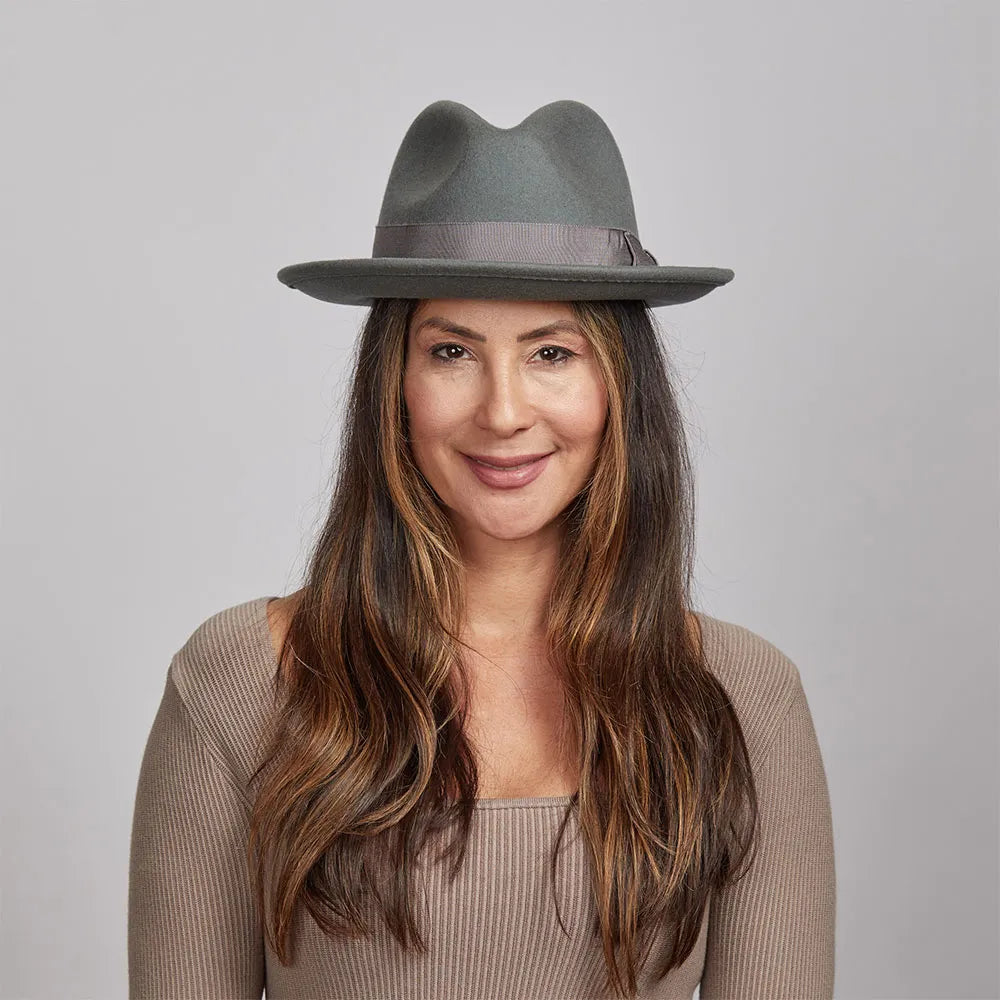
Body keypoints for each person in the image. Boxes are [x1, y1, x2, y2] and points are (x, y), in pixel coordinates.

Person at [127, 99, 836, 999]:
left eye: (552, 353)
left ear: (620, 386)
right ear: (394, 382)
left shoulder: (742, 698)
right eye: (453, 351)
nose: (503, 412)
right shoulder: (239, 683)